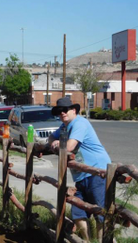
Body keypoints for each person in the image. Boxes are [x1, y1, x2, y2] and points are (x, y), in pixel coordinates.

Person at [48, 97, 111, 242]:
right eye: (59, 111)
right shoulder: (64, 127)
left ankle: (102, 241)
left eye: (65, 110)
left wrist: (59, 144)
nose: (62, 113)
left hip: (96, 171)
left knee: (100, 212)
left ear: (74, 110)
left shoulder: (79, 123)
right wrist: (54, 143)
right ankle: (88, 241)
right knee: (78, 212)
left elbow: (69, 146)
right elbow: (51, 137)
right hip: (81, 176)